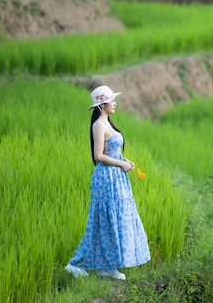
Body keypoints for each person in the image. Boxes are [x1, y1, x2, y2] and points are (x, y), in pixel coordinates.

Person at [65, 85, 151, 280]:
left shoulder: (108, 124)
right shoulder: (98, 126)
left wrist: (125, 160)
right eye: (112, 100)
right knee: (105, 221)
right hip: (106, 179)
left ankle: (108, 267)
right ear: (102, 104)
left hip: (117, 178)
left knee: (117, 219)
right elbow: (98, 156)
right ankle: (75, 264)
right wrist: (121, 163)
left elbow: (113, 151)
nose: (115, 103)